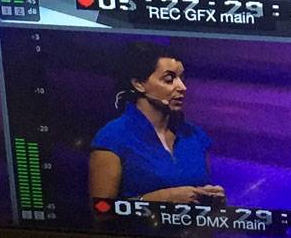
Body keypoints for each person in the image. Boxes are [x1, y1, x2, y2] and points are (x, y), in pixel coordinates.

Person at [88, 42, 225, 218]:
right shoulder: (112, 138)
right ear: (139, 84)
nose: (182, 87)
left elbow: (209, 215)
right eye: (169, 80)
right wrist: (161, 199)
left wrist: (215, 202)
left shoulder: (195, 136)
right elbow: (100, 211)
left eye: (182, 78)